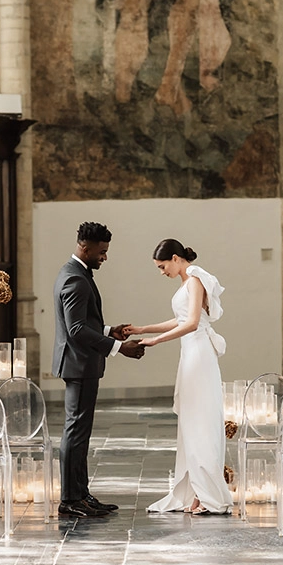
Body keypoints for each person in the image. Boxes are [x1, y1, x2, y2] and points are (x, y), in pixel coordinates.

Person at [128, 239, 233, 515]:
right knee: (191, 422)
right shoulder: (186, 282)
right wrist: (143, 328)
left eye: (163, 266)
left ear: (176, 258)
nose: (162, 272)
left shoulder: (196, 278)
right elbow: (180, 318)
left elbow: (193, 322)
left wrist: (156, 341)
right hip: (190, 353)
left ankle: (209, 495)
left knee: (201, 421)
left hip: (199, 354)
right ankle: (196, 491)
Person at [53, 221, 146, 519]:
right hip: (79, 364)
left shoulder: (75, 273)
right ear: (85, 247)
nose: (104, 257)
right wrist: (119, 348)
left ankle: (81, 494)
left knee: (80, 433)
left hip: (82, 363)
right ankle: (70, 499)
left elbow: (83, 322)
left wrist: (109, 330)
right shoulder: (75, 279)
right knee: (76, 433)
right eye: (102, 252)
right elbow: (76, 329)